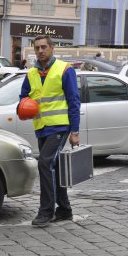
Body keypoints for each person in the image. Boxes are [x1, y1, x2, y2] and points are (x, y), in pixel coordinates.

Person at [19, 35, 80, 227]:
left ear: (52, 48)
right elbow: (23, 98)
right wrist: (22, 108)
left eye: (44, 47)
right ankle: (64, 209)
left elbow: (73, 101)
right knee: (55, 167)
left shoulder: (64, 70)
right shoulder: (31, 73)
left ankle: (46, 211)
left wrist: (75, 131)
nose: (40, 51)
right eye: (37, 48)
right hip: (41, 128)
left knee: (45, 164)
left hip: (60, 127)